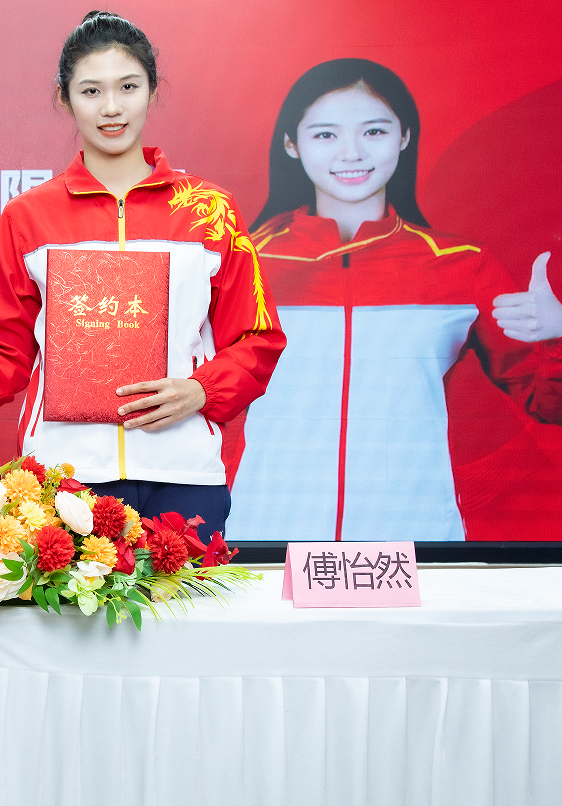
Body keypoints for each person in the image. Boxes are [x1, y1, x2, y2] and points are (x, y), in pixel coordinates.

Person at [0, 12, 286, 539]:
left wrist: (200, 391)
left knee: (187, 597)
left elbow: (257, 339)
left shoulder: (210, 210)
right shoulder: (28, 217)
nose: (111, 107)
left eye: (128, 87)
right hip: (64, 477)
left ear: (152, 90)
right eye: (91, 90)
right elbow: (5, 350)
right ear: (65, 98)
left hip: (184, 471)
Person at [226, 58, 562, 541]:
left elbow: (550, 405)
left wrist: (557, 335)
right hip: (261, 534)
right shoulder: (243, 262)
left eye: (374, 131)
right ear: (291, 144)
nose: (351, 153)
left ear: (404, 136)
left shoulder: (462, 266)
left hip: (416, 540)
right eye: (325, 135)